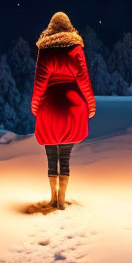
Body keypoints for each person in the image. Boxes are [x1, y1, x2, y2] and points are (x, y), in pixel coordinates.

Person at [31, 11, 96, 209]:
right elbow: (84, 80)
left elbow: (40, 83)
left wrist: (36, 107)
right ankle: (62, 200)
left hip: (49, 107)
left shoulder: (45, 50)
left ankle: (52, 197)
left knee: (51, 155)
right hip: (72, 106)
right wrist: (91, 105)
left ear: (51, 28)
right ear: (69, 27)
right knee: (65, 157)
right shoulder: (76, 48)